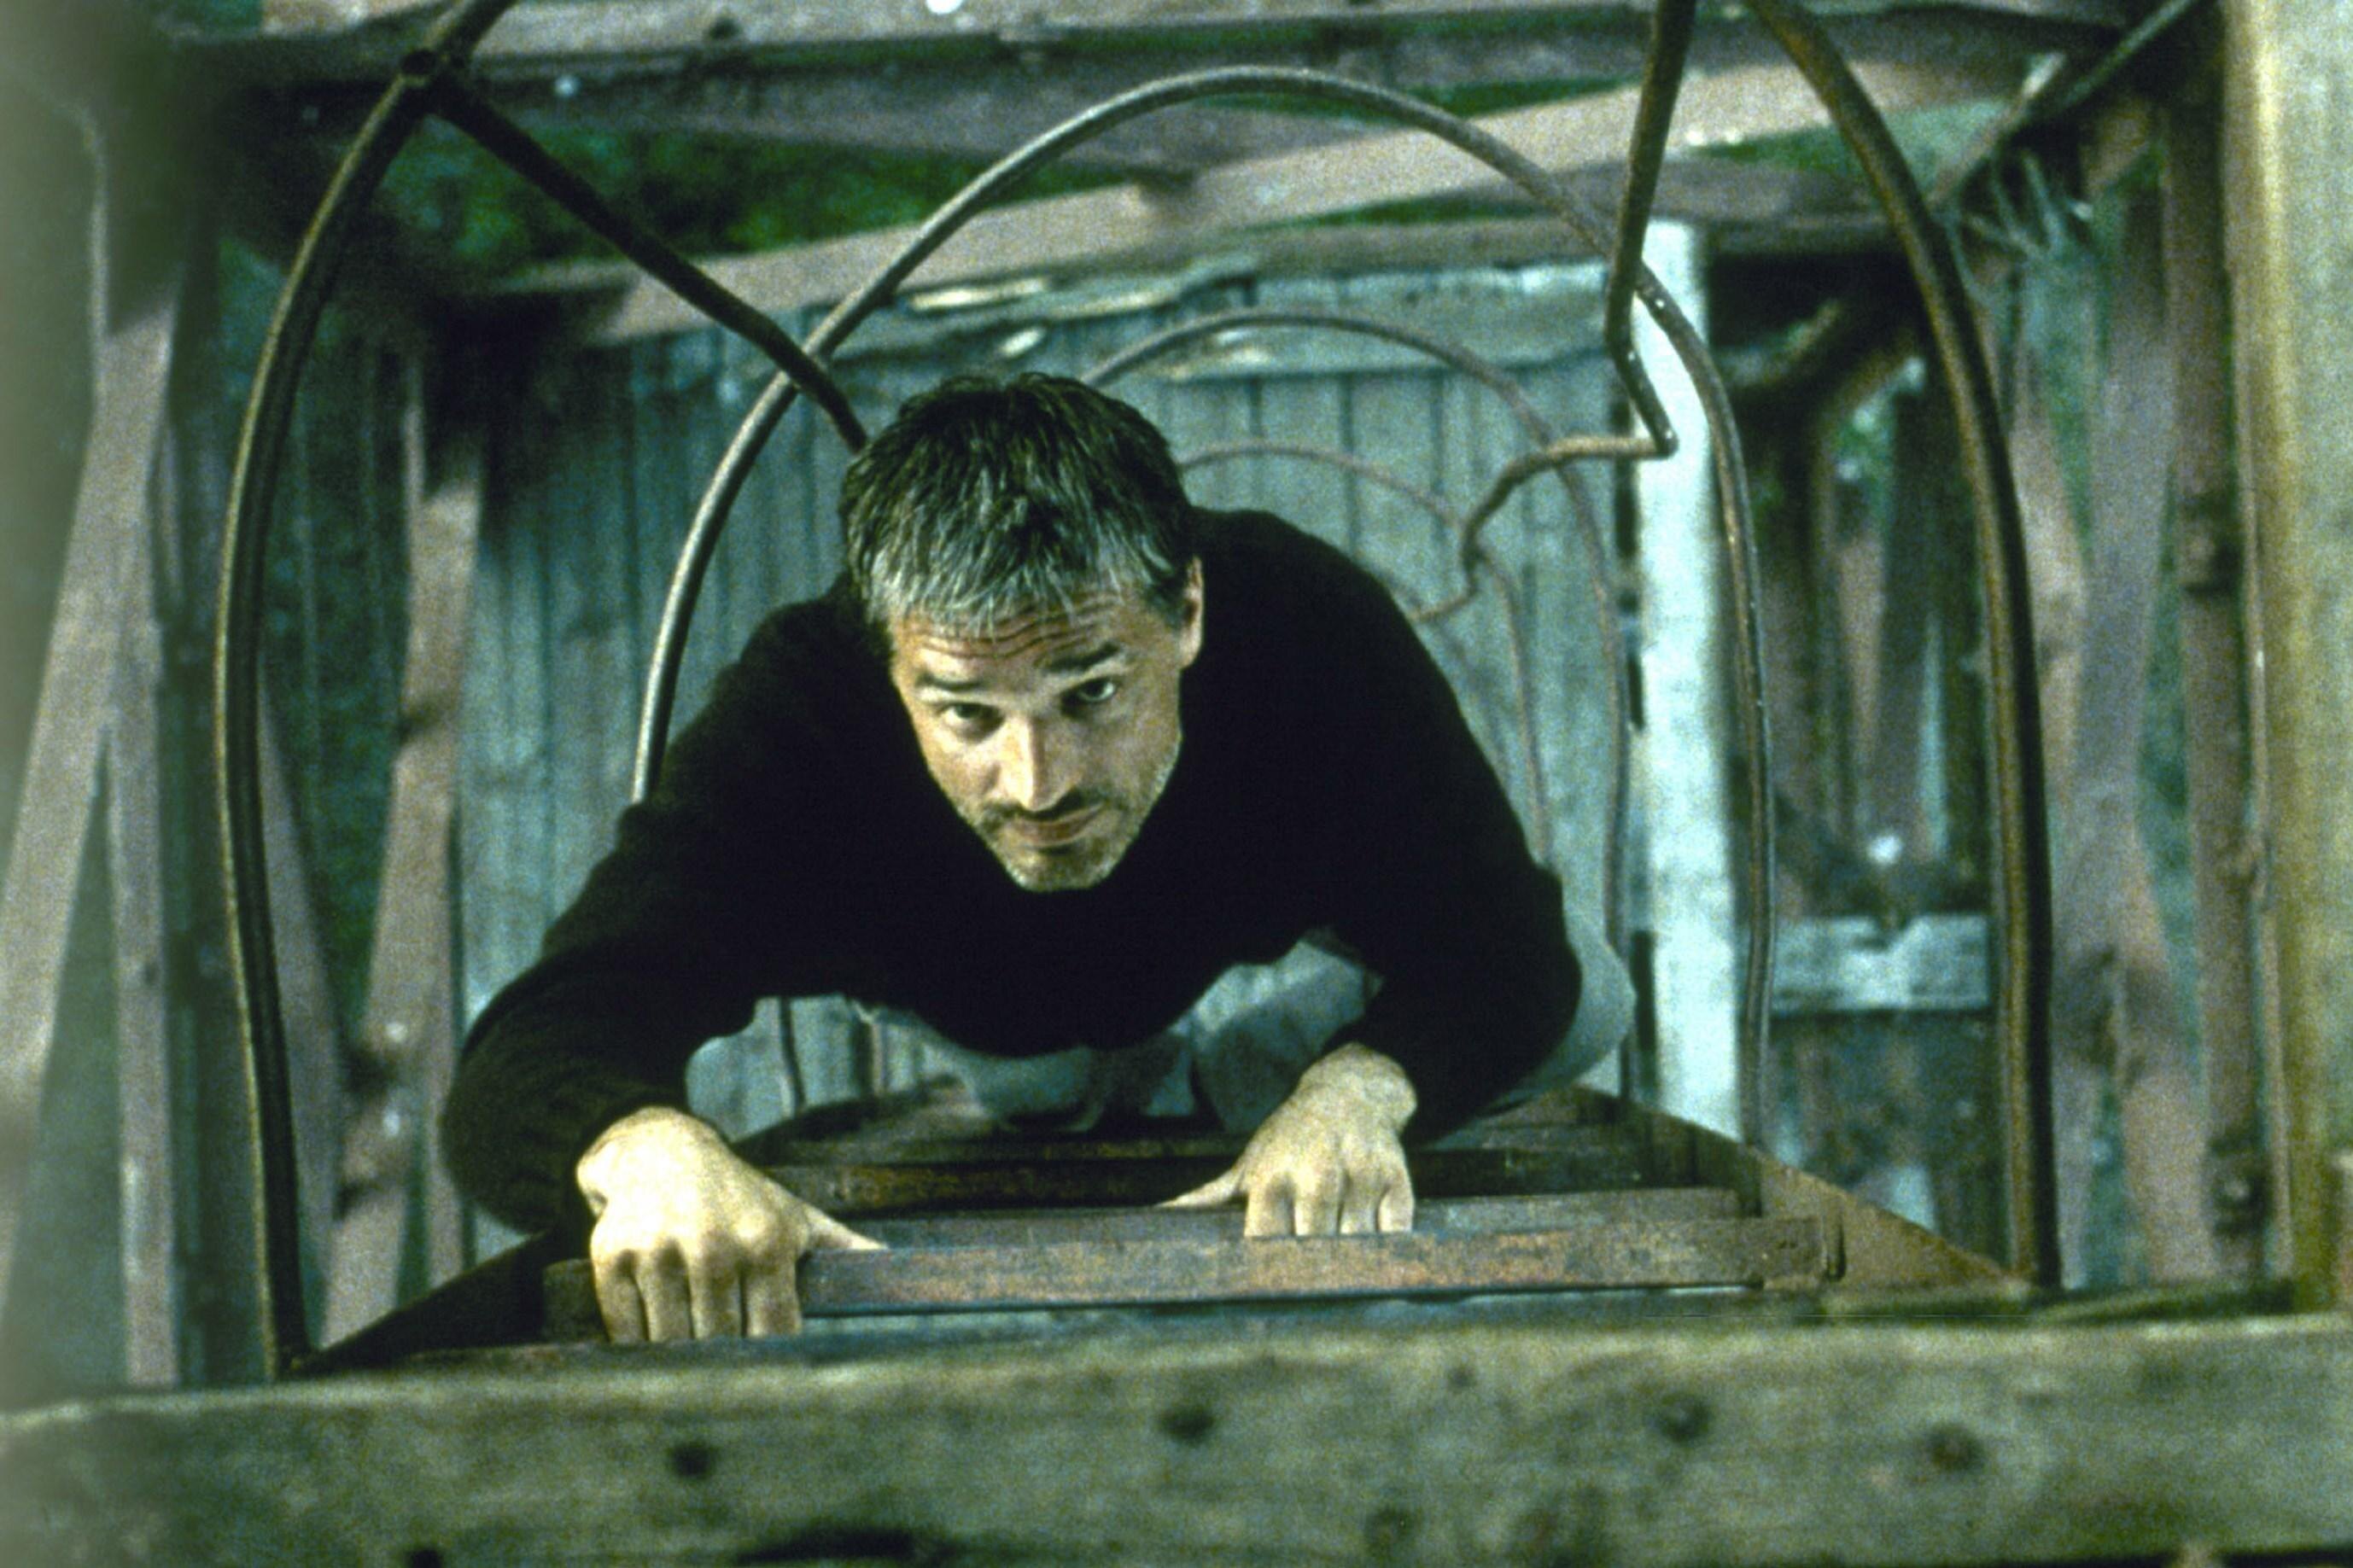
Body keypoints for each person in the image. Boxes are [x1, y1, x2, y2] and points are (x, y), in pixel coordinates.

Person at [441, 373, 1627, 1343]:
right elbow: (531, 1051)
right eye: (966, 712)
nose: (1037, 782)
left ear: (1191, 612)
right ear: (887, 660)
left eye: (1092, 692)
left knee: (1593, 996)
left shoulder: (1308, 625)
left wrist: (1355, 1086)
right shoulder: (798, 713)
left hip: (1226, 927)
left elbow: (1512, 945)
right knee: (1048, 1097)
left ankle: (1241, 1082)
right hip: (986, 1003)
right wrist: (644, 1147)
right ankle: (1081, 1084)